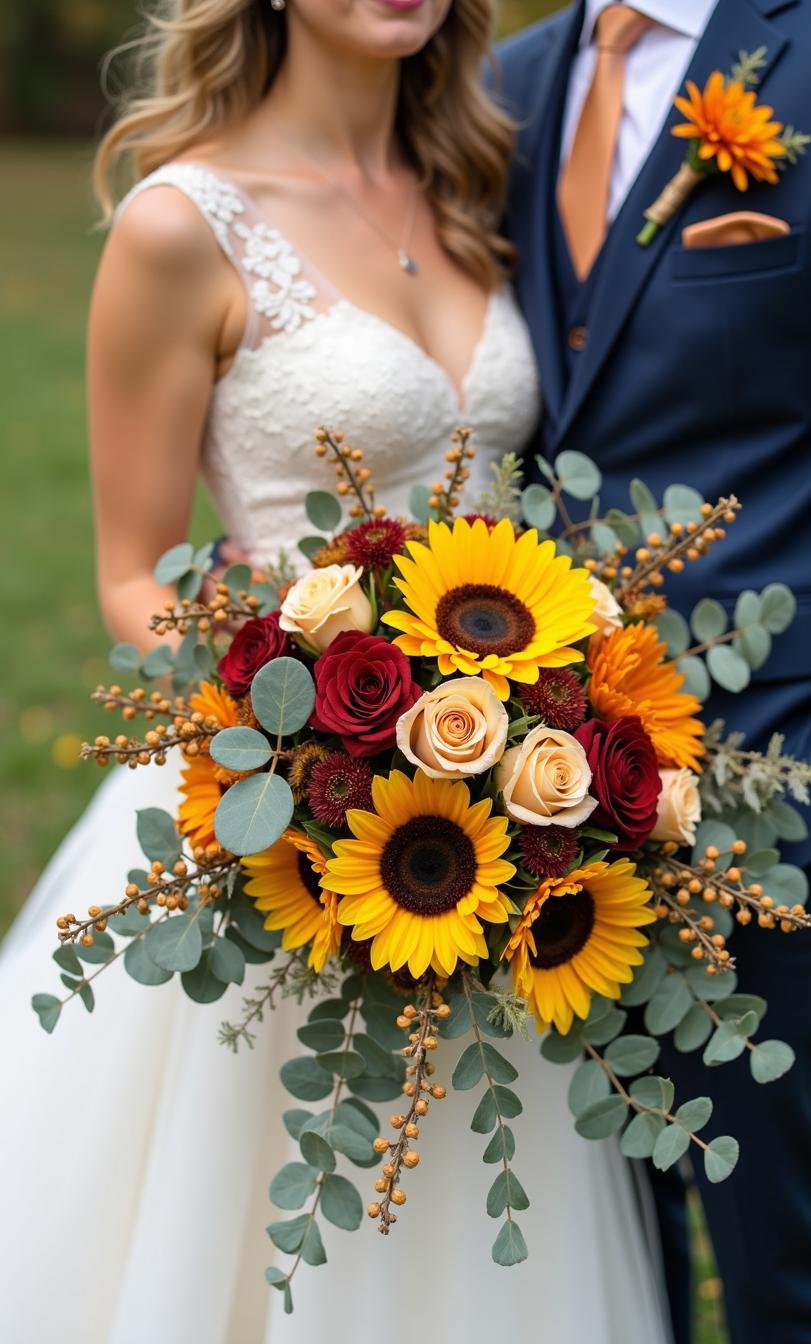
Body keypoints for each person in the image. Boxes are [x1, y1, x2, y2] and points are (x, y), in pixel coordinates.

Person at [0, 3, 672, 1342]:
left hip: (500, 830)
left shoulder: (480, 188)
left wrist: (522, 734)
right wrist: (312, 732)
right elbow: (134, 574)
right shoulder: (180, 226)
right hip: (279, 812)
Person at [496, 0, 811, 1340]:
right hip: (511, 793)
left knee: (779, 1259)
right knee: (591, 1256)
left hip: (766, 792)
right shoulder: (502, 80)